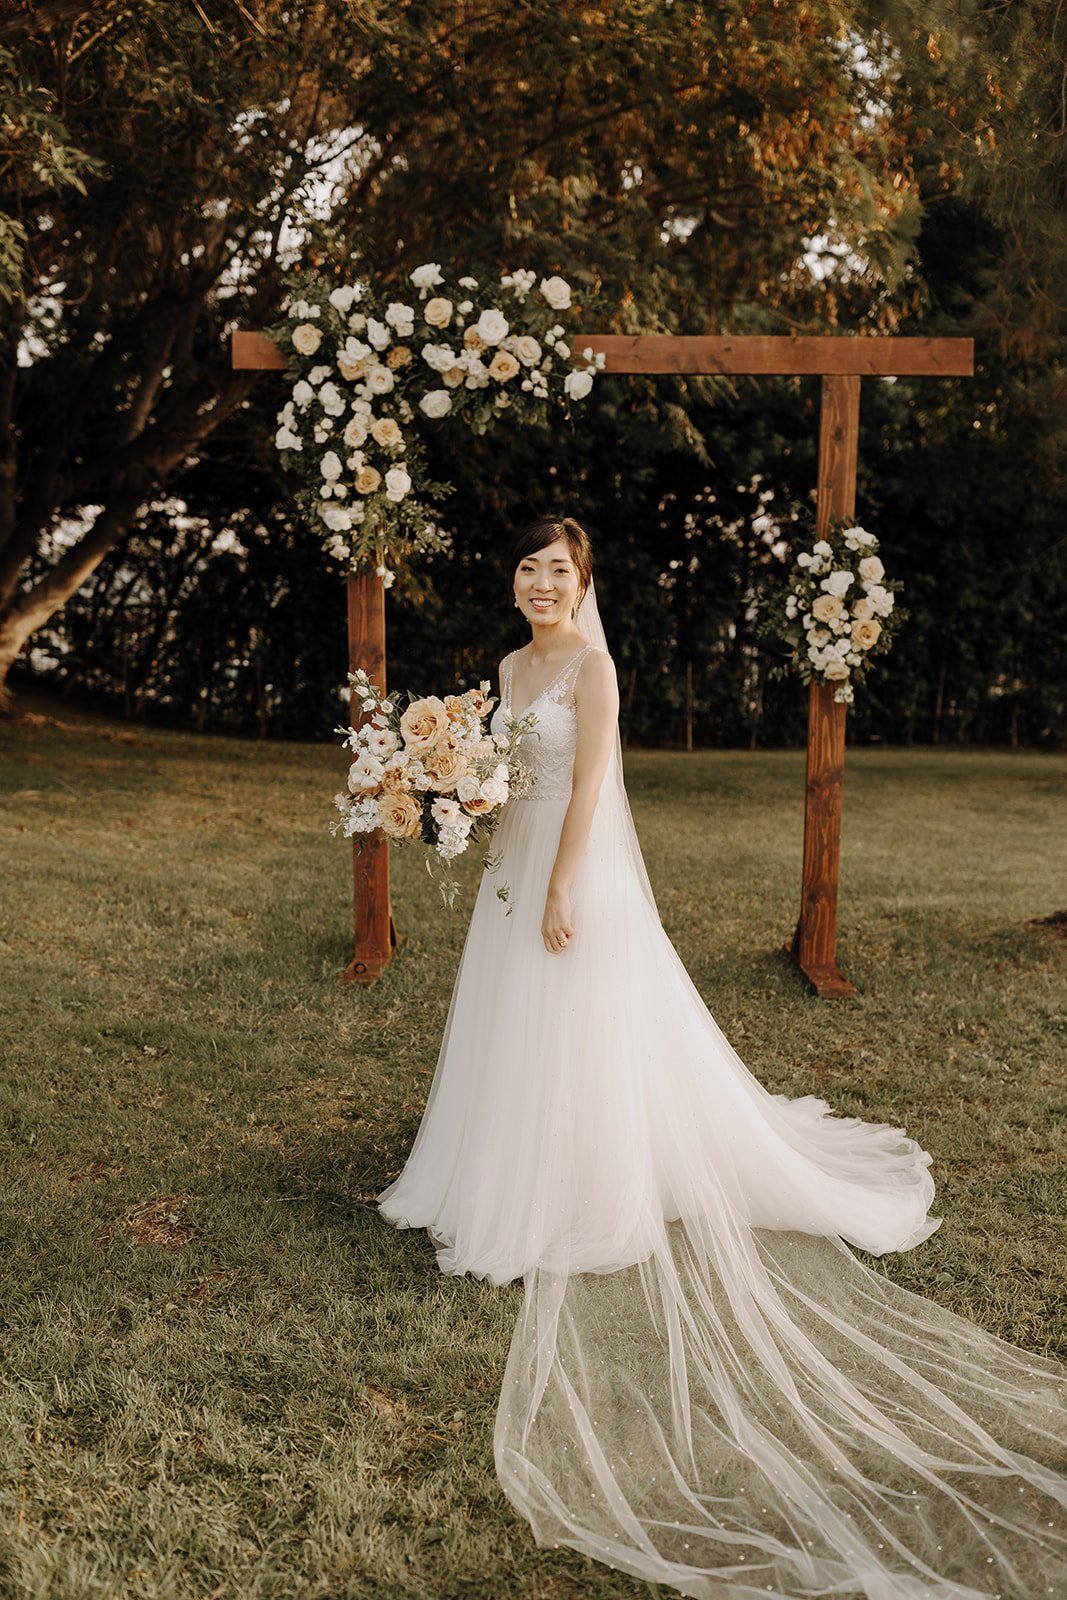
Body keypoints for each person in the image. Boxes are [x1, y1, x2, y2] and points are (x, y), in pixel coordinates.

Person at [379, 516, 1067, 1599]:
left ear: (583, 581)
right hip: (513, 866)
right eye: (526, 567)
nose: (540, 583)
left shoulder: (594, 669)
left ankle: (584, 1172)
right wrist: (462, 792)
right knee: (509, 1016)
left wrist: (561, 881)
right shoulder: (509, 665)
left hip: (574, 872)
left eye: (558, 570)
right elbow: (505, 769)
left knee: (580, 1020)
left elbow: (590, 787)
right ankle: (497, 1158)